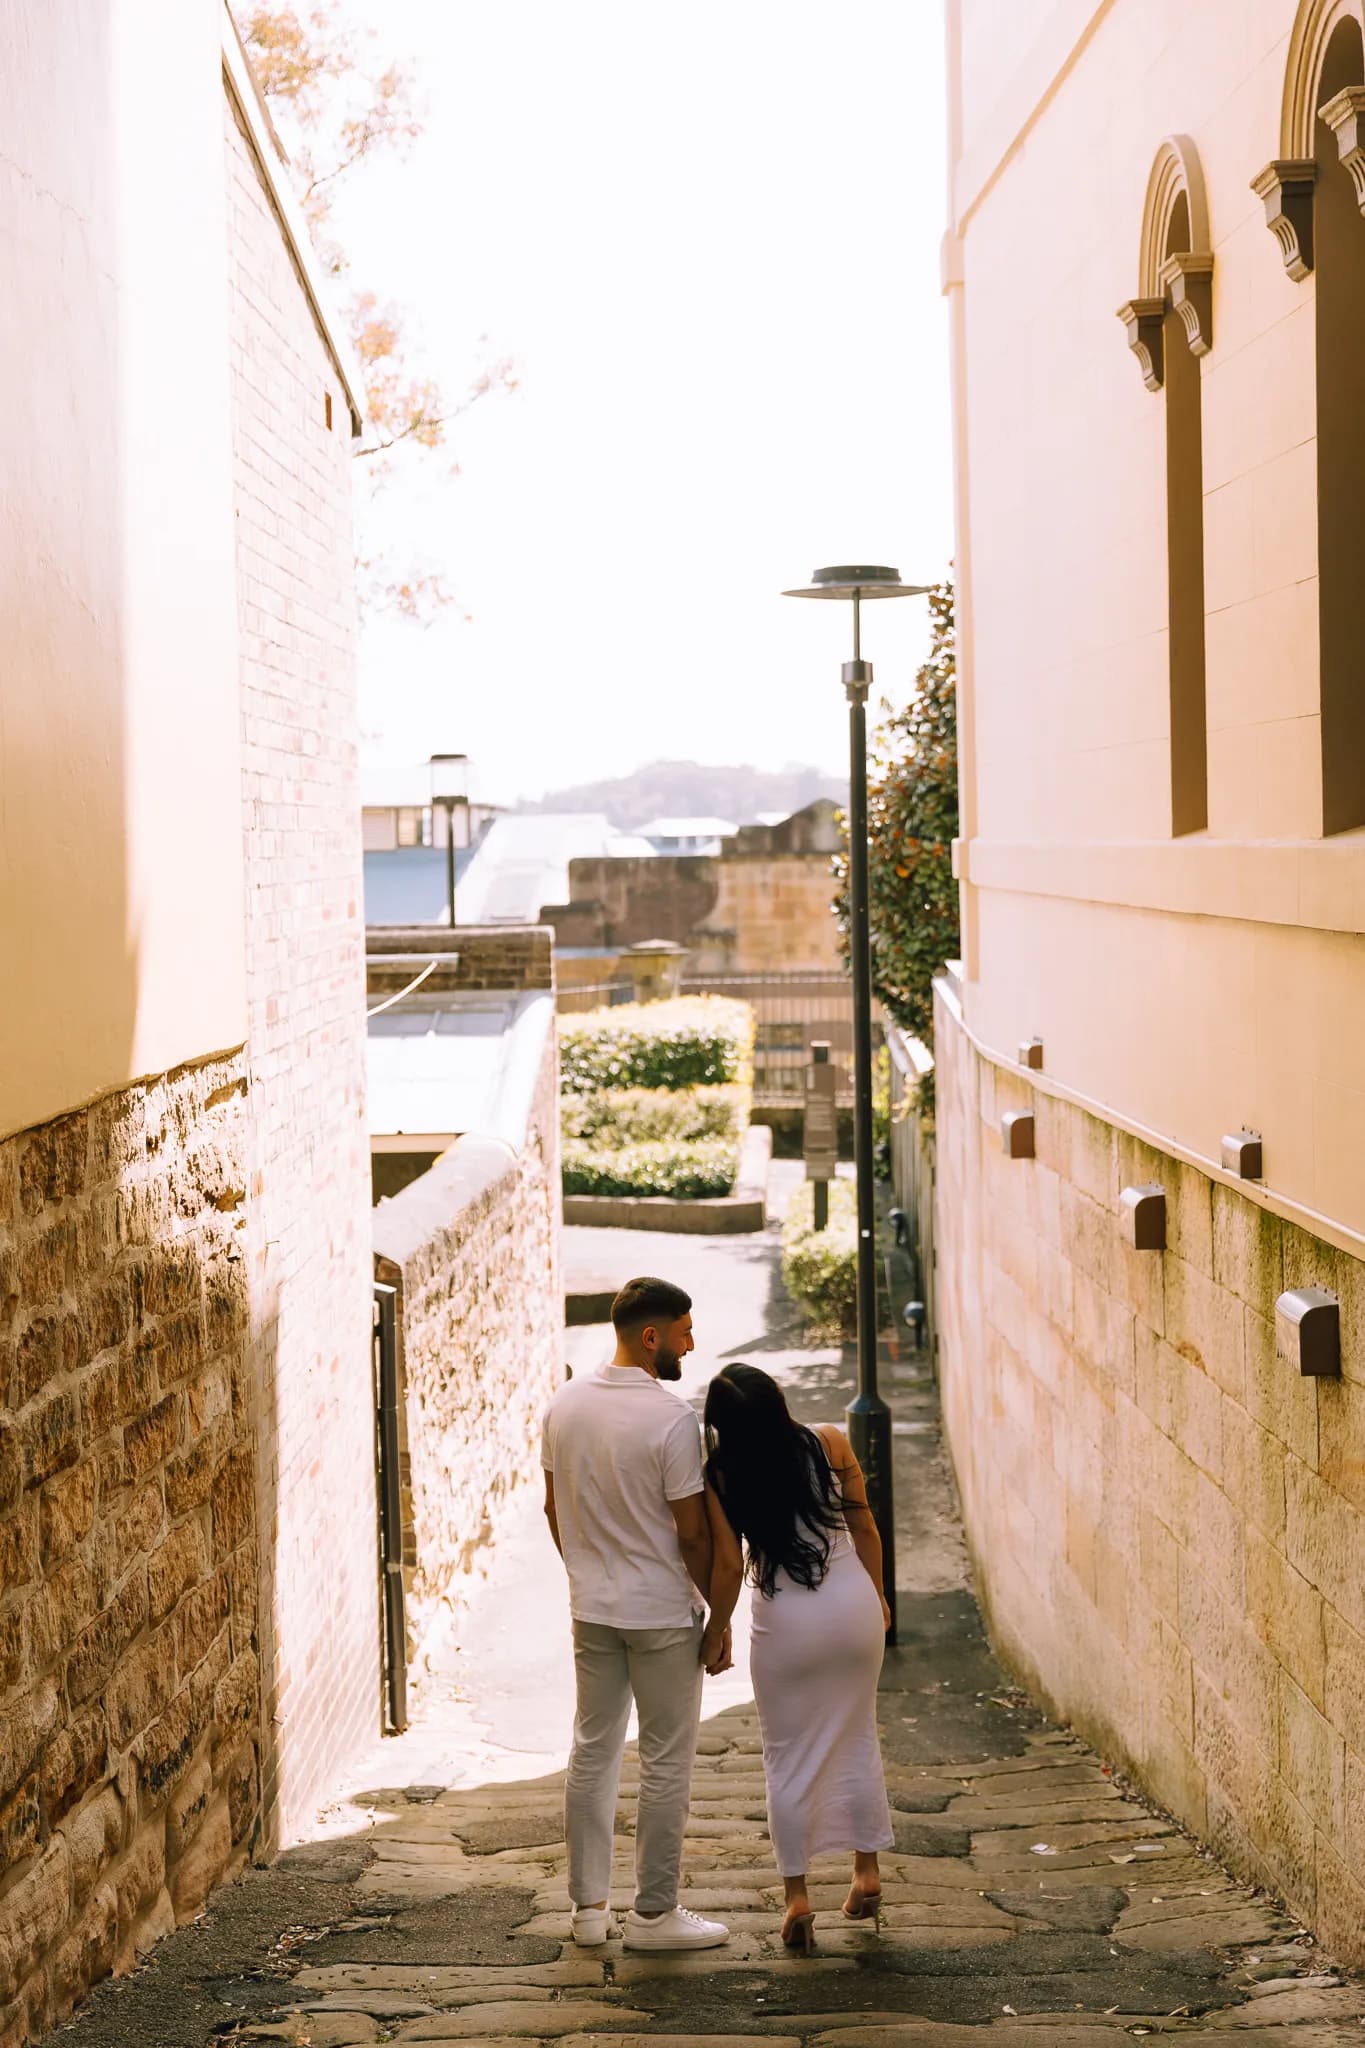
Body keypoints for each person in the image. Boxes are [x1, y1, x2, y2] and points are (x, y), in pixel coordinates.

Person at [542, 1275, 730, 1953]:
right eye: (683, 1333)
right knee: (664, 1761)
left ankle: (588, 1911)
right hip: (660, 1615)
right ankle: (653, 1915)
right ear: (651, 1337)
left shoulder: (563, 1404)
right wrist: (717, 1618)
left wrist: (587, 1573)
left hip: (592, 1610)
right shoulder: (671, 1419)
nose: (691, 1344)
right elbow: (692, 1534)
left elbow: (552, 1507)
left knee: (592, 1752)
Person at [700, 1362, 893, 1953]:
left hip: (786, 1621)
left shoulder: (721, 1473)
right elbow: (865, 1528)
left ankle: (798, 1898)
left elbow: (728, 1564)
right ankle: (866, 1872)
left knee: (786, 1758)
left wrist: (717, 1628)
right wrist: (878, 1597)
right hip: (851, 1607)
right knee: (858, 1734)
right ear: (778, 1401)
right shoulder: (830, 1442)